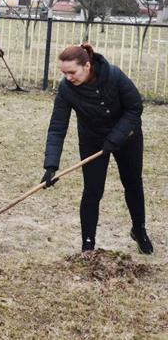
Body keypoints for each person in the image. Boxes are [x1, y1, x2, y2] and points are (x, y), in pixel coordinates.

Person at [41, 43, 152, 254]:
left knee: (133, 184)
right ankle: (88, 245)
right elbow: (57, 127)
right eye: (64, 73)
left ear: (87, 66)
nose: (68, 77)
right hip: (92, 141)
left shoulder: (114, 76)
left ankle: (139, 230)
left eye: (72, 72)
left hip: (128, 137)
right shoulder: (66, 90)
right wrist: (51, 165)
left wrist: (114, 139)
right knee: (92, 191)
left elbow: (135, 107)